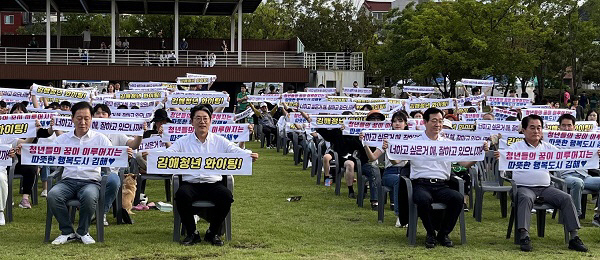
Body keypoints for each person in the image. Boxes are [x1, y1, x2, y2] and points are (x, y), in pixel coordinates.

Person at [15, 102, 130, 244]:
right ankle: (67, 231)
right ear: (72, 119)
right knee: (53, 195)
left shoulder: (101, 139)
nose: (83, 122)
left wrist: (125, 154)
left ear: (91, 119)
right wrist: (25, 149)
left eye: (86, 118)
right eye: (79, 118)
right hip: (67, 181)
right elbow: (45, 153)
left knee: (89, 197)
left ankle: (82, 232)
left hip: (91, 181)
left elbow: (113, 157)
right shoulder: (63, 139)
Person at [151, 104, 258, 246]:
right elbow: (169, 155)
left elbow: (235, 151)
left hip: (213, 184)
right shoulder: (183, 142)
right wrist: (152, 156)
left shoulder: (220, 141)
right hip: (190, 184)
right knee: (181, 195)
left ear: (210, 121)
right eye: (198, 118)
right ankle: (192, 233)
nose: (202, 122)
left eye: (205, 118)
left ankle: (212, 233)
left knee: (226, 196)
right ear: (192, 122)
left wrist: (249, 155)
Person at [494, 114, 589, 252]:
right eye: (532, 128)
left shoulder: (549, 148)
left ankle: (574, 237)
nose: (536, 131)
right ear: (524, 130)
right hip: (524, 188)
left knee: (566, 198)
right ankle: (524, 236)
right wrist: (499, 156)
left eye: (539, 128)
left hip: (546, 188)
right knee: (525, 198)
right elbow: (504, 161)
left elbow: (568, 156)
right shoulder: (515, 148)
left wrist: (592, 154)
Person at [410, 107, 486, 248]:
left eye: (440, 121)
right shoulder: (414, 142)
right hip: (421, 184)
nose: (437, 124)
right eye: (434, 121)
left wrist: (478, 154)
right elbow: (397, 161)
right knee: (422, 199)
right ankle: (430, 233)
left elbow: (464, 163)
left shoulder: (449, 144)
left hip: (441, 185)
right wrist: (387, 147)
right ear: (425, 122)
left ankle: (443, 233)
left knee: (457, 198)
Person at [92, 104, 144, 225]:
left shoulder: (116, 133)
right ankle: (91, 211)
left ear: (109, 117)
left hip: (111, 172)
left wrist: (140, 134)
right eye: (98, 113)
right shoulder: (88, 133)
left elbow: (133, 144)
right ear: (93, 116)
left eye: (104, 113)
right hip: (91, 170)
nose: (100, 116)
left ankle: (102, 213)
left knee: (114, 182)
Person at [359, 111, 409, 227]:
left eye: (400, 121)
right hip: (390, 174)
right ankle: (400, 216)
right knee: (399, 180)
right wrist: (365, 144)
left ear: (406, 124)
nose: (397, 124)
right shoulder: (386, 139)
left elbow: (399, 160)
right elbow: (372, 158)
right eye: (395, 121)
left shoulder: (411, 140)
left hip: (407, 172)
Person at [555, 114, 600, 224]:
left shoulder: (583, 142)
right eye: (563, 125)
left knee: (581, 181)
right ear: (559, 127)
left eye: (569, 125)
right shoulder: (553, 142)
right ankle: (575, 215)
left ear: (574, 127)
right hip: (565, 177)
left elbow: (593, 154)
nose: (566, 128)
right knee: (577, 182)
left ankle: (598, 216)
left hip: (584, 176)